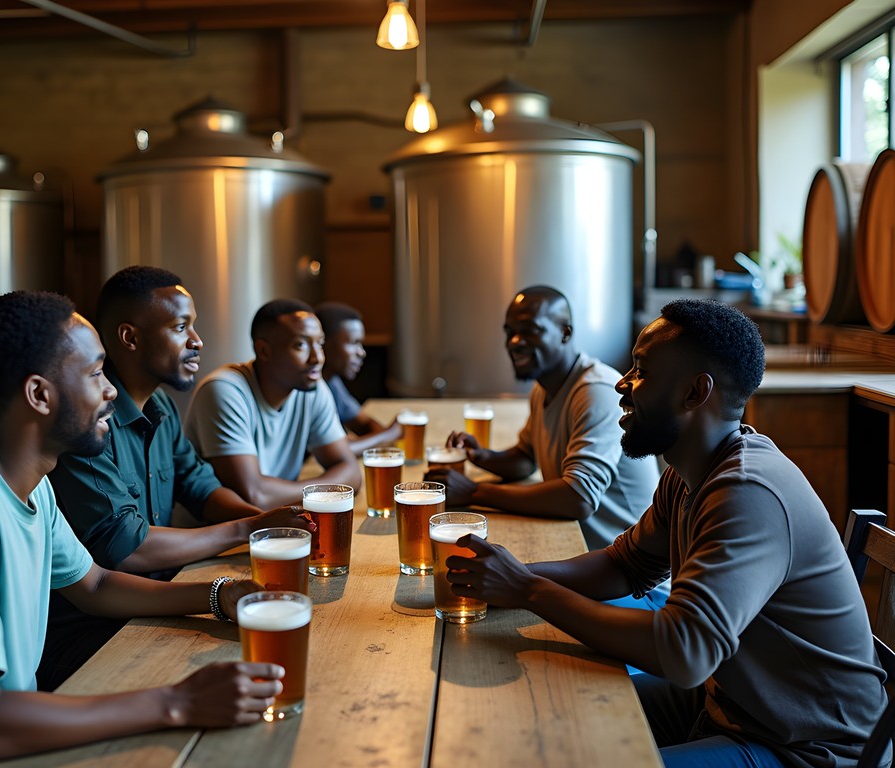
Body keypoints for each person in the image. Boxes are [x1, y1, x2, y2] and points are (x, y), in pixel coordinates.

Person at [444, 298, 888, 768]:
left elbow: (684, 651)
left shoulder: (747, 491)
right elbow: (624, 565)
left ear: (696, 392)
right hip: (730, 702)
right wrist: (509, 579)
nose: (622, 383)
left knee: (579, 750)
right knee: (553, 715)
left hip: (806, 746)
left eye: (641, 370)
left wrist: (530, 590)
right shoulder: (691, 469)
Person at [0, 292, 283, 768]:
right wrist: (178, 702)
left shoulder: (30, 484)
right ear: (39, 395)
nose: (111, 390)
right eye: (95, 374)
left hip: (9, 734)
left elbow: (95, 584)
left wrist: (222, 594)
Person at [41, 266, 307, 690]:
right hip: (93, 634)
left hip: (163, 603)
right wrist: (247, 528)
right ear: (130, 338)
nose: (197, 340)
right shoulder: (88, 424)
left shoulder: (159, 404)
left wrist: (269, 525)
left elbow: (200, 486)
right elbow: (124, 548)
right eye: (181, 326)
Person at [425, 285, 666, 610]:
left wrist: (473, 493)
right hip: (583, 561)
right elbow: (525, 458)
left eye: (529, 331)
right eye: (509, 332)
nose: (514, 342)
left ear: (565, 332)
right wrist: (481, 456)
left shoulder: (593, 391)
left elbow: (577, 498)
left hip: (628, 583)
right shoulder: (546, 388)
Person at [185, 298, 361, 508]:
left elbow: (351, 474)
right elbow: (253, 495)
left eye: (320, 343)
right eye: (301, 344)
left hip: (276, 527)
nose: (317, 358)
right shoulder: (224, 390)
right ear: (264, 351)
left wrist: (283, 493)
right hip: (215, 534)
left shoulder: (312, 388)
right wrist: (326, 488)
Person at [315, 301, 401, 456]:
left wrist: (384, 435)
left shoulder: (332, 381)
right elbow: (340, 450)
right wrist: (388, 435)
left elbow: (364, 424)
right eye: (354, 343)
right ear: (324, 344)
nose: (362, 353)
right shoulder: (309, 389)